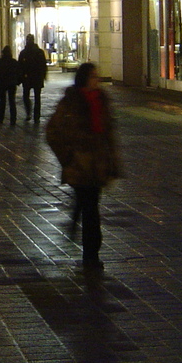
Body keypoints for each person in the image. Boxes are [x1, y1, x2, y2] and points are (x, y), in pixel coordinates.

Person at [45, 63, 121, 272]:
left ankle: (89, 248)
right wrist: (67, 156)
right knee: (90, 208)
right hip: (79, 165)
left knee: (91, 207)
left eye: (97, 76)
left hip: (97, 165)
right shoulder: (71, 102)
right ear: (83, 79)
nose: (96, 80)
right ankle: (90, 255)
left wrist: (113, 163)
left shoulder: (101, 100)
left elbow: (109, 135)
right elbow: (52, 131)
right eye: (93, 77)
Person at [17, 33, 49, 124]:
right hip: (36, 78)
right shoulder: (39, 52)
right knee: (36, 97)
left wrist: (20, 77)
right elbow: (43, 65)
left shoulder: (24, 52)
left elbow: (20, 66)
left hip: (28, 78)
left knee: (27, 96)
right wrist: (44, 76)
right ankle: (36, 116)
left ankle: (30, 114)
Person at [0, 45, 21, 125]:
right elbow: (19, 73)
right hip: (11, 84)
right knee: (12, 101)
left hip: (2, 84)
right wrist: (18, 81)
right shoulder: (14, 62)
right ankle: (13, 119)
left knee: (2, 102)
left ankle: (0, 119)